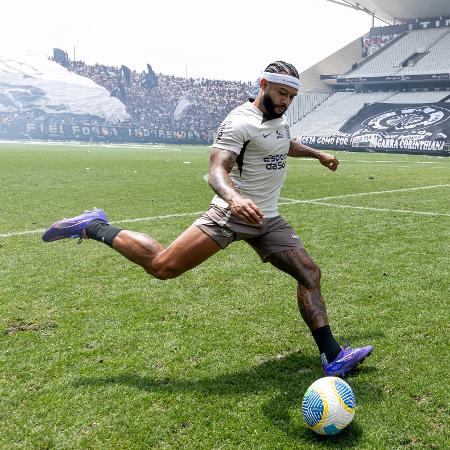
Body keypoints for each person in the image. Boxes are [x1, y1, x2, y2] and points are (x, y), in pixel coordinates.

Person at [43, 61, 372, 377]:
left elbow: (282, 144)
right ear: (263, 85)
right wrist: (235, 198)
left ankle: (332, 356)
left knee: (309, 273)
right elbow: (217, 170)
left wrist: (317, 155)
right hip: (231, 213)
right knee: (163, 266)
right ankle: (94, 225)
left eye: (291, 96)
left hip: (267, 219)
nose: (286, 101)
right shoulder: (239, 121)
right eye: (281, 93)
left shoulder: (278, 119)